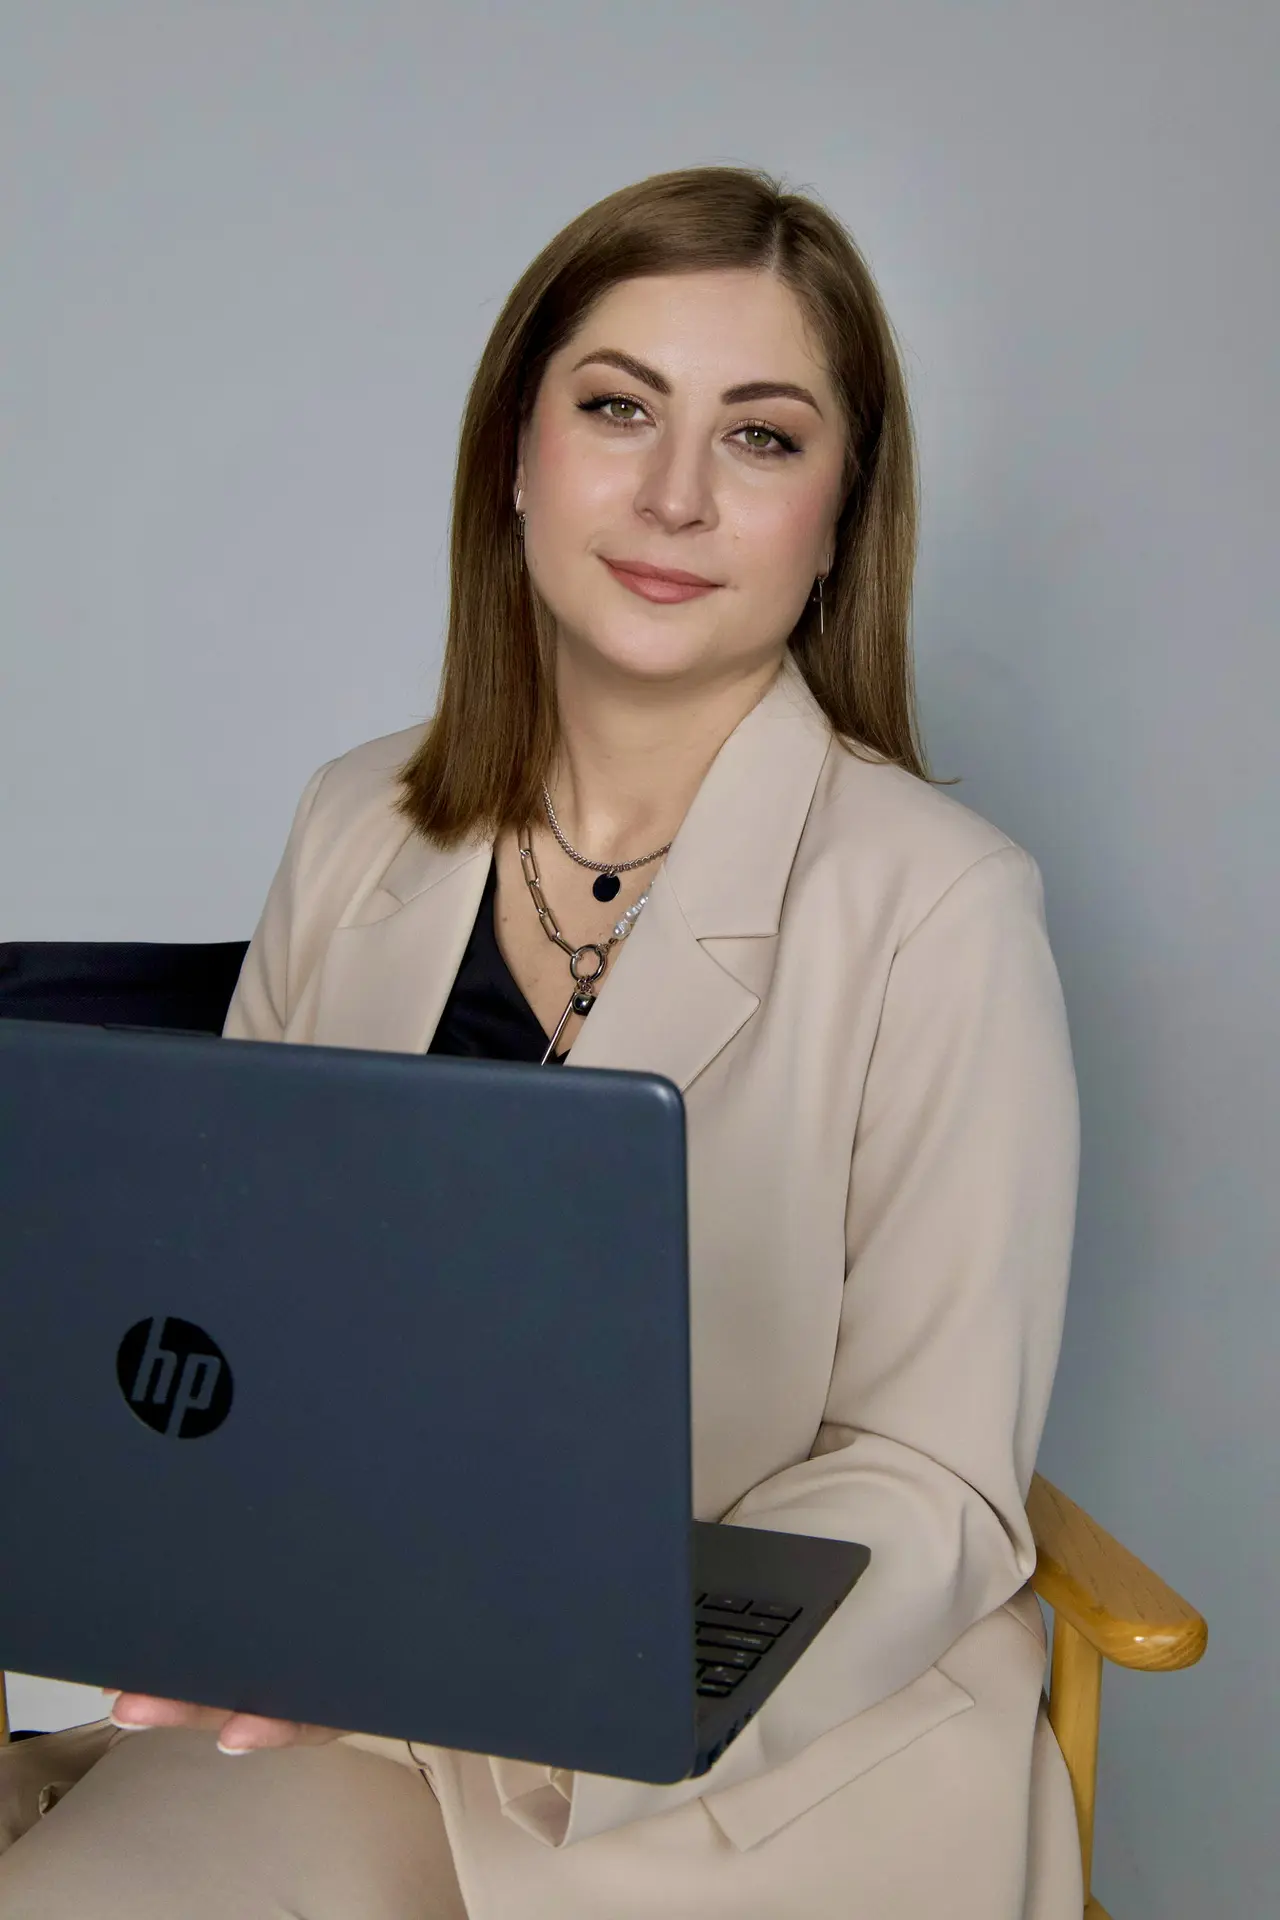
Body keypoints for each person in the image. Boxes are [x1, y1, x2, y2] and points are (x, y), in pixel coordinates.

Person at [0, 165, 1084, 1918]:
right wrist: (209, 1586)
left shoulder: (943, 905)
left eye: (760, 437)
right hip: (333, 1702)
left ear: (837, 518)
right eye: (618, 409)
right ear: (516, 454)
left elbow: (935, 1481)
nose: (674, 495)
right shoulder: (357, 822)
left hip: (713, 1767)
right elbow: (232, 1324)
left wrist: (566, 1662)